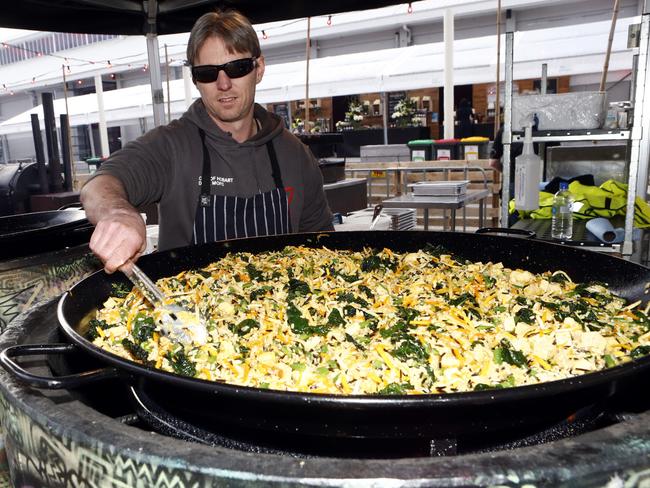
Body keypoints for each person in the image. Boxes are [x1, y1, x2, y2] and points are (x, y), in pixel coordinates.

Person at [81, 9, 334, 273]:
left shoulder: (295, 153)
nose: (223, 84)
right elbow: (99, 185)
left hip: (283, 309)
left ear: (258, 69)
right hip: (190, 310)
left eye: (237, 68)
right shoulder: (171, 145)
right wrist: (117, 213)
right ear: (195, 80)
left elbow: (321, 246)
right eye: (207, 73)